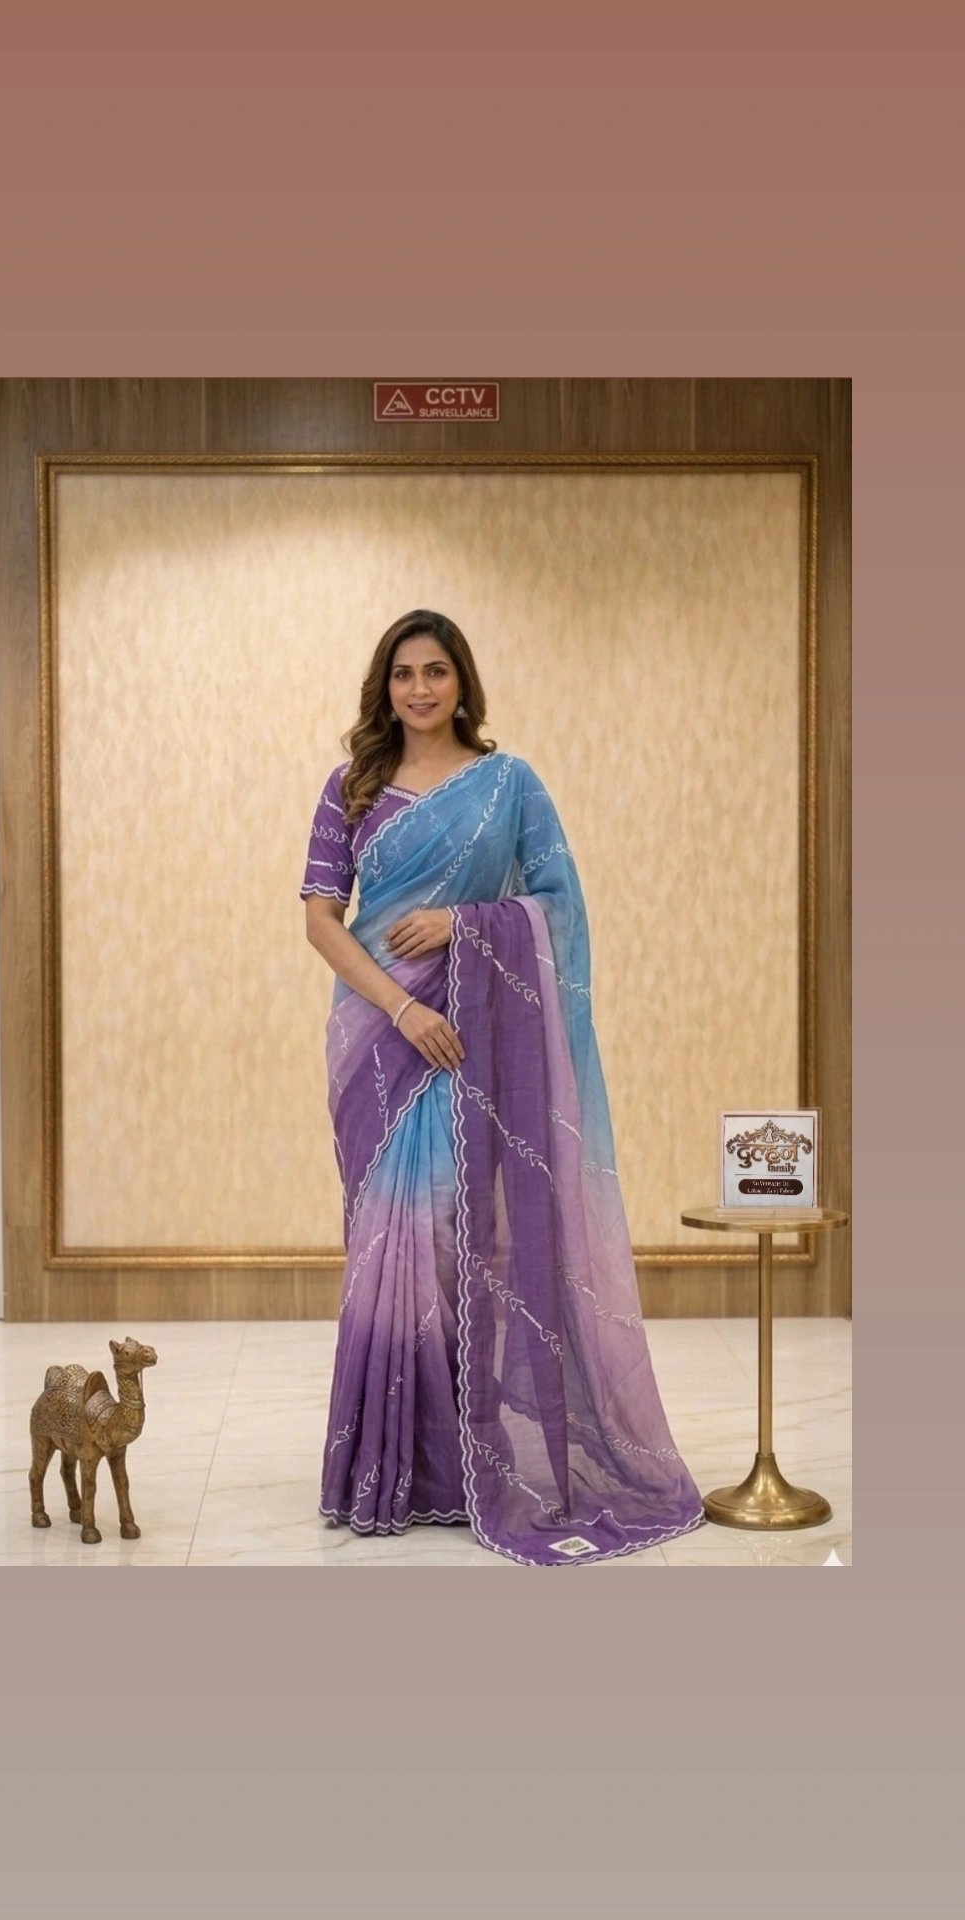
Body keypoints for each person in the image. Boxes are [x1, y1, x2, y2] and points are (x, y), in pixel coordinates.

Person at [299, 608, 706, 1566]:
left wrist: (465, 925)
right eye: (403, 673)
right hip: (383, 1042)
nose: (419, 689)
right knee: (387, 1246)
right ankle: (391, 1465)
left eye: (436, 671)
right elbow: (320, 920)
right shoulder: (352, 787)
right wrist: (404, 1010)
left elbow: (559, 909)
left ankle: (460, 1461)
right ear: (385, 686)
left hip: (469, 1041)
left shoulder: (507, 784)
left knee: (455, 1243)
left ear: (462, 684)